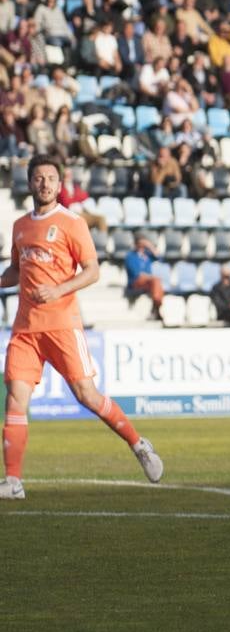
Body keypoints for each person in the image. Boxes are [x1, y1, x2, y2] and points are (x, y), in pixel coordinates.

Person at [0, 157, 164, 501]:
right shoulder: (19, 226)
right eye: (39, 178)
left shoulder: (72, 224)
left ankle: (138, 444)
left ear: (60, 186)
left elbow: (92, 271)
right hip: (26, 329)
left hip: (62, 325)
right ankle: (13, 481)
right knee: (15, 398)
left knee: (87, 396)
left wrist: (57, 290)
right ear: (30, 183)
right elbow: (17, 270)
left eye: (51, 179)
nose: (45, 184)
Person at [124, 234, 166, 320]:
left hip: (149, 282)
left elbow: (160, 258)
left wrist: (150, 246)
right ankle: (157, 306)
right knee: (156, 280)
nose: (142, 246)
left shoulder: (147, 255)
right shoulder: (130, 256)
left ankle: (155, 307)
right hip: (136, 282)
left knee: (156, 281)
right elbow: (136, 273)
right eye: (141, 244)